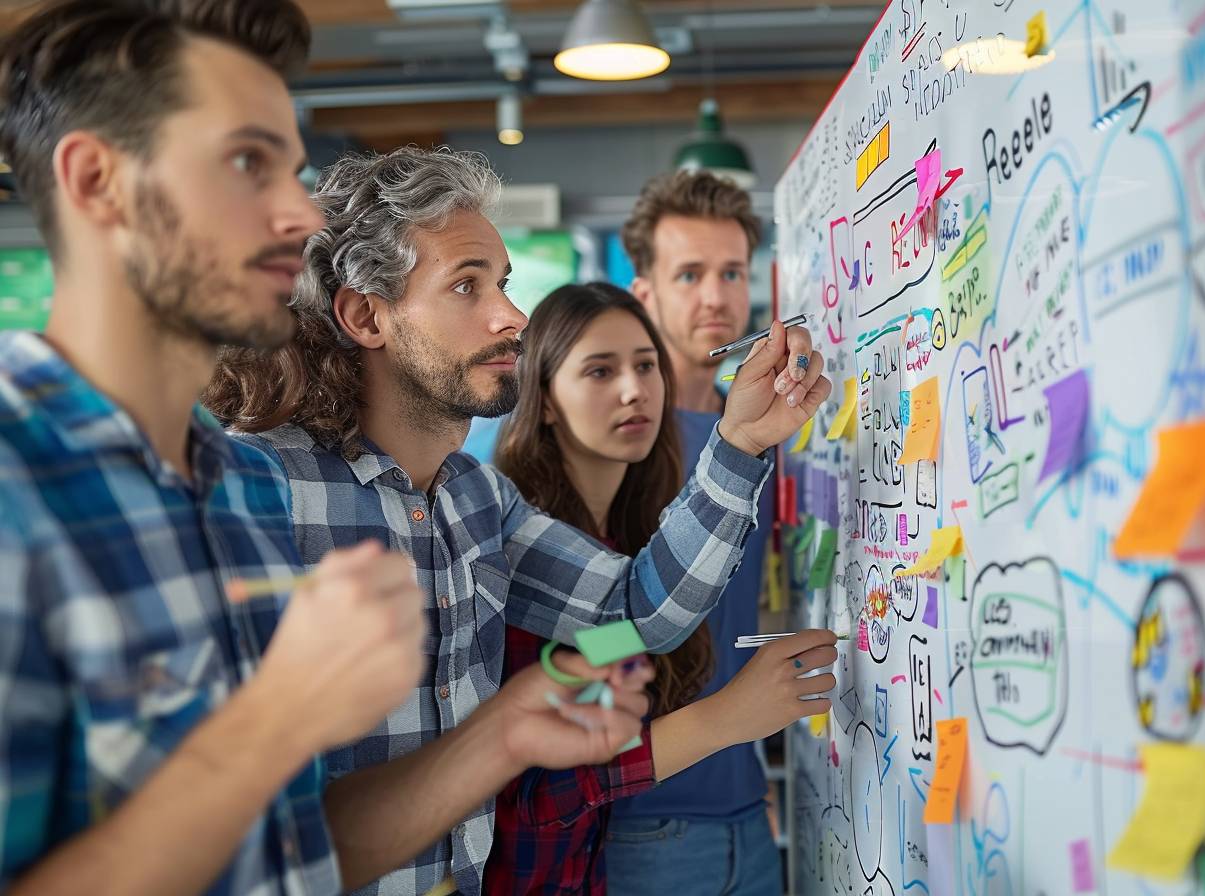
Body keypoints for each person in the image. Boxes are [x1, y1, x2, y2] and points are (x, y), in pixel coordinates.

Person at [0, 3, 648, 895]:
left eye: (292, 170)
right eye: (246, 162)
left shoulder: (234, 489)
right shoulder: (18, 485)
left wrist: (499, 735)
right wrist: (272, 720)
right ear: (98, 181)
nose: (300, 213)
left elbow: (298, 849)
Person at [202, 145, 830, 896]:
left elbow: (636, 615)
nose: (512, 315)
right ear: (365, 315)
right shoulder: (259, 488)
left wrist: (739, 442)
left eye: (500, 282)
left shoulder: (476, 498)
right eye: (467, 286)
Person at [485, 281, 838, 895]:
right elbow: (536, 794)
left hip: (715, 834)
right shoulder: (521, 548)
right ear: (542, 400)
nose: (634, 389)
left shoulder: (637, 534)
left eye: (646, 366)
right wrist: (724, 720)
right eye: (600, 371)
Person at [607, 171, 790, 895]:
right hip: (638, 818)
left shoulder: (767, 430)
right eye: (689, 274)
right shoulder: (606, 441)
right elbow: (580, 637)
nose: (715, 296)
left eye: (732, 272)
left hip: (748, 810)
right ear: (644, 289)